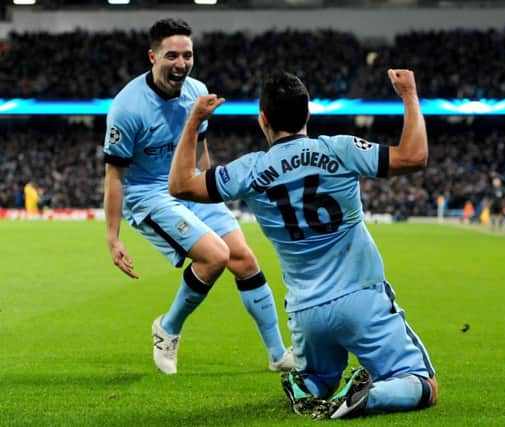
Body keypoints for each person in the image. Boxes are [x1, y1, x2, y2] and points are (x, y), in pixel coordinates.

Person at [168, 69, 438, 419]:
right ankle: (369, 395)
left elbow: (180, 185)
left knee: (318, 379)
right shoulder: (340, 149)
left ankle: (307, 385)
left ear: (263, 119)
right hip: (361, 299)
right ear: (308, 113)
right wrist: (409, 96)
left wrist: (193, 122)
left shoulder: (249, 170)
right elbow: (415, 157)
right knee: (425, 384)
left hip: (306, 313)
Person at [102, 18, 293, 375]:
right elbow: (115, 175)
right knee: (215, 257)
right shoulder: (126, 108)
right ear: (152, 56)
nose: (181, 64)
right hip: (149, 195)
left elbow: (201, 149)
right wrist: (113, 237)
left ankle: (278, 355)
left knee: (245, 260)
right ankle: (168, 328)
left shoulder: (197, 91)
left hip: (190, 186)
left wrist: (210, 190)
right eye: (171, 55)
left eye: (187, 55)